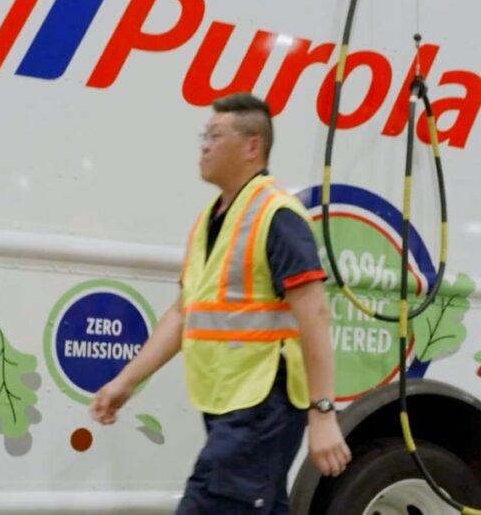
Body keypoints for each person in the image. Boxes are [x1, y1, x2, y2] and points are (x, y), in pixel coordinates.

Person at [89, 92, 352, 514]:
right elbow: (184, 313)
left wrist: (323, 414)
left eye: (215, 135)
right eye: (204, 136)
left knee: (209, 503)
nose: (204, 146)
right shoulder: (209, 221)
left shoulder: (276, 216)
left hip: (262, 402)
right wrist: (126, 381)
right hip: (228, 401)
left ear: (252, 147)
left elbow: (315, 312)